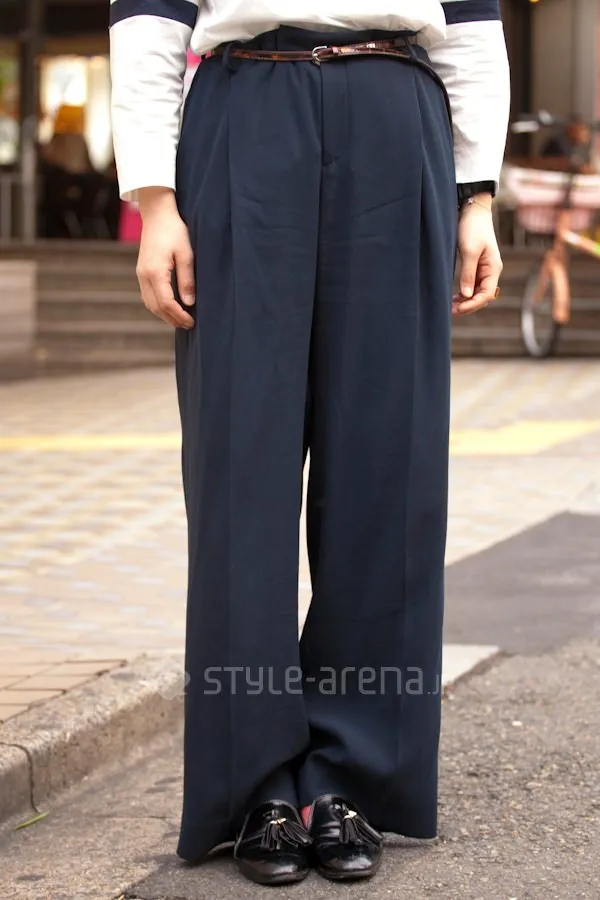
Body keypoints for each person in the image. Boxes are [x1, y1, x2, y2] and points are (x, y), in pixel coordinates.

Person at [109, 0, 508, 885]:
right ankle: (252, 783)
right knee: (239, 467)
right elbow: (148, 21)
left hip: (397, 114)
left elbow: (472, 23)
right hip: (244, 109)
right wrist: (156, 202)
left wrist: (476, 194)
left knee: (388, 463)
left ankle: (351, 778)